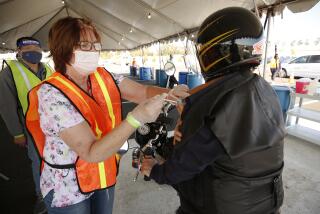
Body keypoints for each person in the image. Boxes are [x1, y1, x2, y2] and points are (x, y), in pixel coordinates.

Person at [25, 17, 189, 214]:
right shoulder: (51, 94)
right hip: (67, 189)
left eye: (96, 45)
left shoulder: (104, 76)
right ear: (63, 48)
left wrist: (171, 94)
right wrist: (136, 118)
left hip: (103, 174)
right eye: (84, 45)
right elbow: (91, 152)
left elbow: (143, 92)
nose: (93, 51)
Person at [141, 7, 285, 214]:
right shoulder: (263, 88)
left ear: (216, 53)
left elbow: (181, 168)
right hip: (265, 202)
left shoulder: (217, 104)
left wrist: (154, 169)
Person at [0, 36, 54, 213]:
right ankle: (42, 197)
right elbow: (6, 105)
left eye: (36, 47)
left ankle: (58, 191)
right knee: (38, 162)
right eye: (27, 47)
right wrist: (17, 133)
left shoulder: (47, 68)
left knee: (56, 159)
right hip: (30, 127)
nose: (33, 50)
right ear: (19, 52)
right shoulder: (9, 72)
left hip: (55, 124)